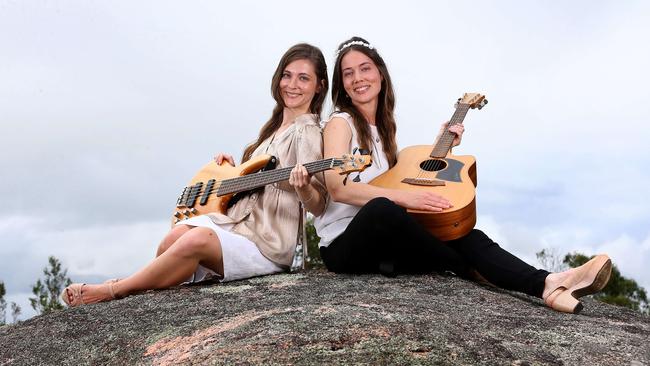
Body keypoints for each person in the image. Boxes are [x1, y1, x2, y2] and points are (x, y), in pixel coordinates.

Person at [314, 36, 612, 314]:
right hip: (345, 245)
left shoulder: (386, 134)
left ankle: (549, 284)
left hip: (384, 242)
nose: (358, 79)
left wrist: (440, 144)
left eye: (364, 69)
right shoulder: (341, 123)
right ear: (342, 84)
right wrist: (406, 197)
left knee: (462, 232)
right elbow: (338, 188)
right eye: (348, 73)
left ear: (380, 74)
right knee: (384, 210)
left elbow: (392, 180)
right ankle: (464, 266)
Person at [62, 43, 329, 307]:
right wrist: (231, 172)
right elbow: (255, 185)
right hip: (238, 227)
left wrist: (303, 187)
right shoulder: (270, 132)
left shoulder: (308, 131)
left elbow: (318, 204)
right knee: (173, 237)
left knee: (196, 239)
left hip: (267, 244)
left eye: (303, 78)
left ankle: (115, 289)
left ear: (318, 86)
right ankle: (146, 290)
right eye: (287, 75)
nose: (292, 84)